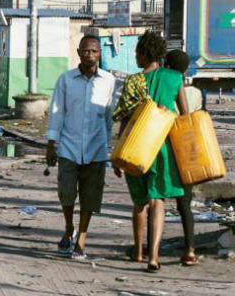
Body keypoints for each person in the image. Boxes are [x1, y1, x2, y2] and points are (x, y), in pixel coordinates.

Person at [112, 31, 188, 273]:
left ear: (145, 54)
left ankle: (137, 250)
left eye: (137, 52)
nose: (135, 56)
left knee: (139, 202)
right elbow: (185, 118)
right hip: (163, 147)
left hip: (135, 146)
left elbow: (124, 120)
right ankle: (153, 256)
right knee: (157, 200)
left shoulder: (133, 82)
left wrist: (117, 154)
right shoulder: (175, 78)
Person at [45, 35, 115, 259]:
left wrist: (110, 145)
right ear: (78, 52)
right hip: (68, 146)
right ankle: (68, 227)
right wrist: (51, 144)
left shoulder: (108, 80)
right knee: (67, 193)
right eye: (86, 51)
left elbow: (109, 116)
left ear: (99, 54)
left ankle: (81, 238)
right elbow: (57, 112)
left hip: (96, 148)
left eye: (94, 51)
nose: (90, 55)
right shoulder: (65, 80)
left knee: (90, 196)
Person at [164, 49, 201, 266]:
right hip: (186, 150)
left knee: (156, 200)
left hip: (165, 146)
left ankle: (150, 249)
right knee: (184, 203)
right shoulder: (196, 93)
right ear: (186, 70)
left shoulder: (164, 85)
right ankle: (190, 249)